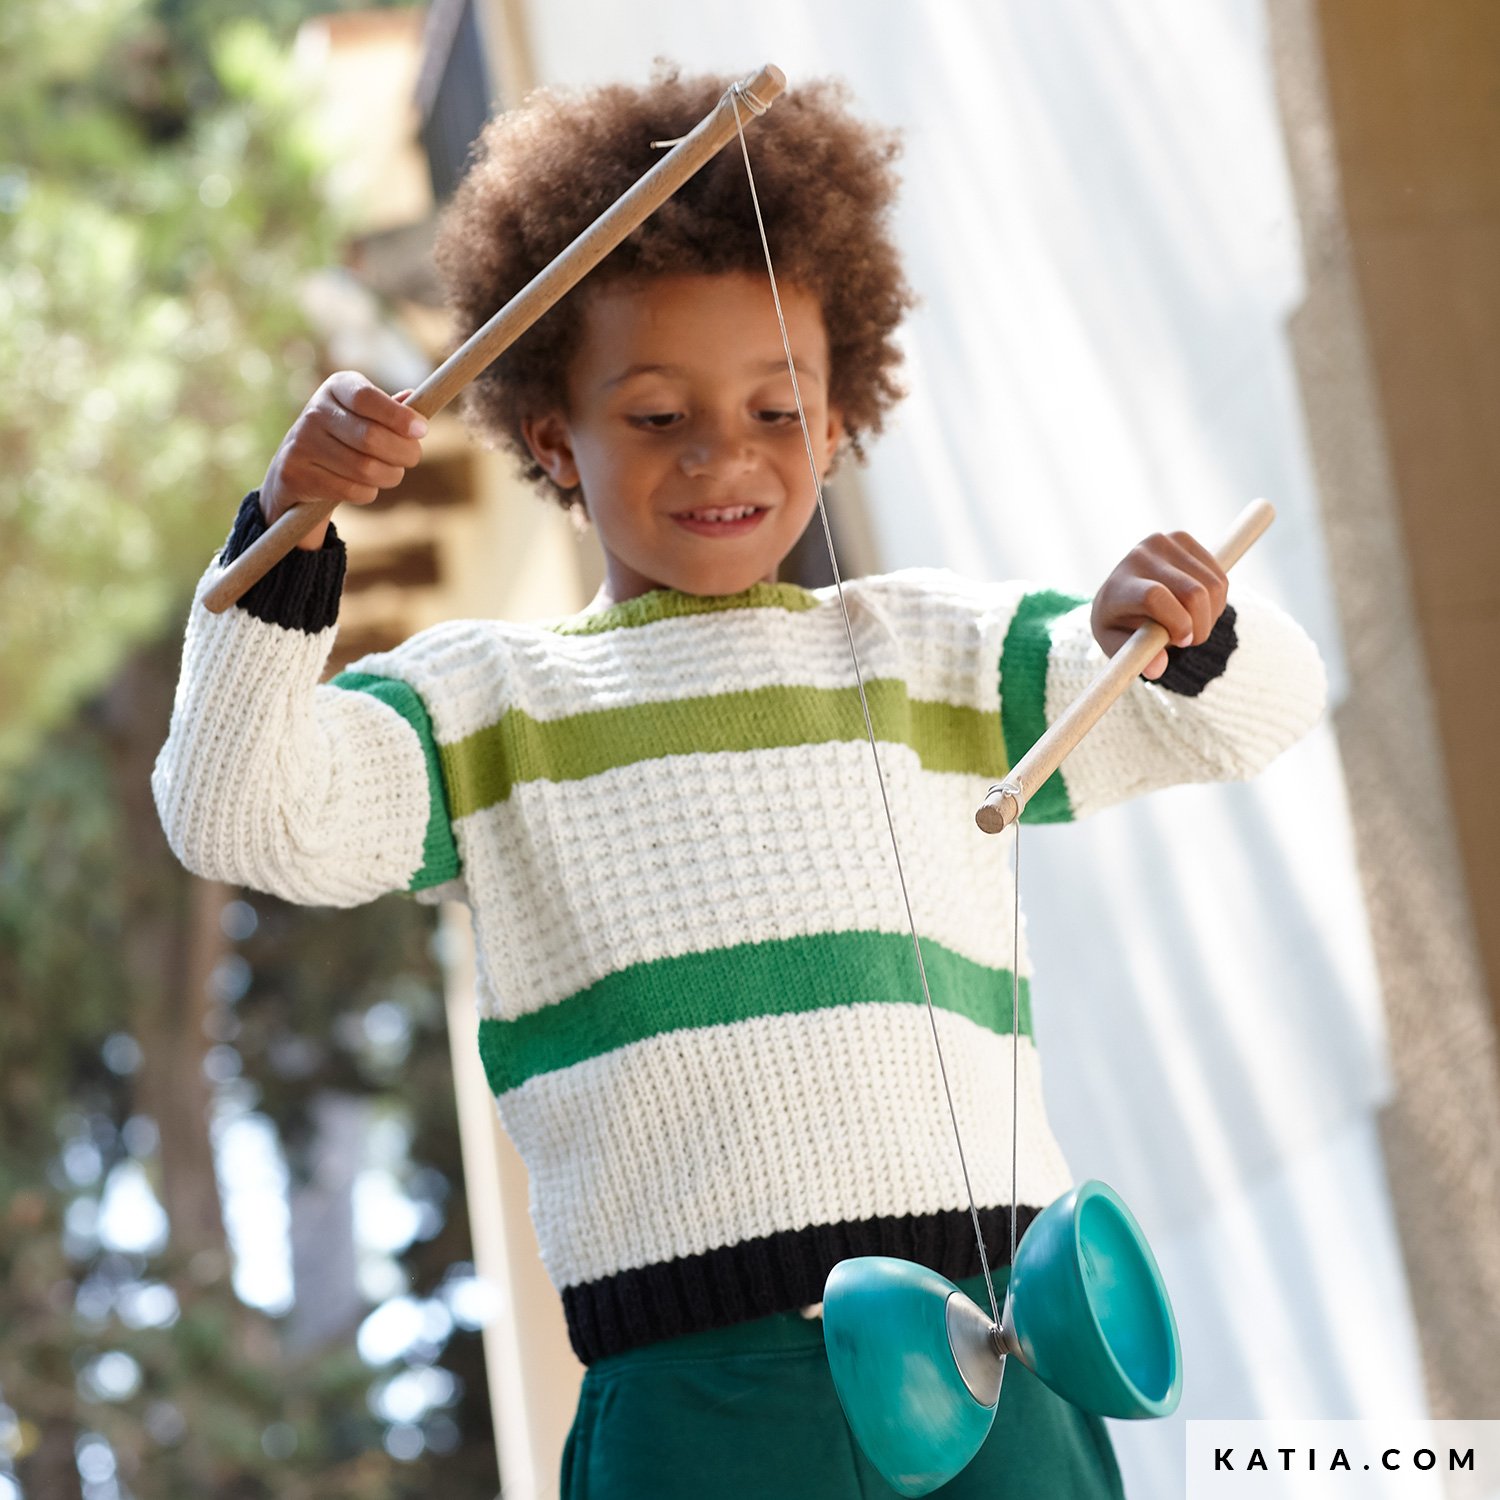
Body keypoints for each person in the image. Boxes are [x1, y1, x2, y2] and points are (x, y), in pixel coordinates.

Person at [153, 65, 1326, 1499]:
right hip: (697, 1411)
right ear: (550, 441)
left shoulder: (948, 654)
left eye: (780, 411)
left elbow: (1256, 716)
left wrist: (1185, 633)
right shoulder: (485, 707)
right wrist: (289, 529)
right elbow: (237, 810)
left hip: (997, 1368)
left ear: (839, 427)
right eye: (656, 416)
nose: (726, 453)